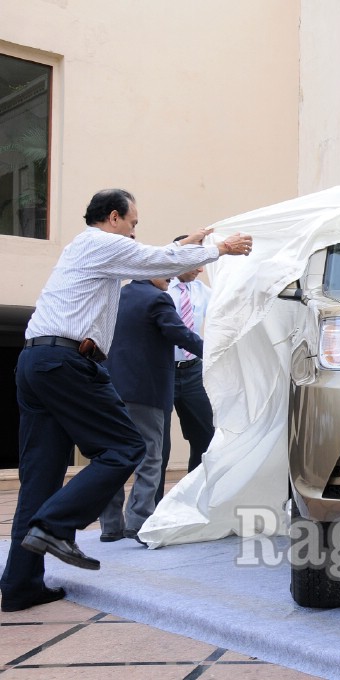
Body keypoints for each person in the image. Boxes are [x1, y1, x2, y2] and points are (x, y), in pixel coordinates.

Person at [0, 188, 252, 612]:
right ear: (114, 217)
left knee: (40, 478)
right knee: (126, 448)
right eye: (133, 223)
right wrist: (218, 249)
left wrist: (188, 243)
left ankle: (20, 584)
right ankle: (54, 525)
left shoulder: (92, 249)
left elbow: (156, 257)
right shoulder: (100, 242)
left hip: (37, 362)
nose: (135, 232)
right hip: (66, 363)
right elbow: (155, 260)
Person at [99, 277, 204, 543]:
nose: (169, 280)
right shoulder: (156, 298)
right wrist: (213, 351)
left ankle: (110, 526)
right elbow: (179, 333)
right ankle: (139, 519)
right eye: (166, 275)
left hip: (110, 388)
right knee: (150, 455)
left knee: (113, 455)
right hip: (145, 390)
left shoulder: (116, 295)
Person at [157, 247, 214, 501]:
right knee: (159, 443)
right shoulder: (160, 289)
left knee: (205, 435)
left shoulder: (203, 292)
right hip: (163, 371)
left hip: (193, 372)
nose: (201, 269)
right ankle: (153, 506)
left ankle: (193, 498)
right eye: (197, 264)